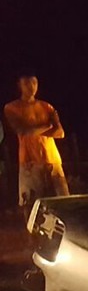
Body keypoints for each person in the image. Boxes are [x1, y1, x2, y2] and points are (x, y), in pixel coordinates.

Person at [3, 73, 69, 215]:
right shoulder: (12, 107)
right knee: (31, 204)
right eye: (27, 83)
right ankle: (31, 235)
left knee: (64, 201)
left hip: (52, 159)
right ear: (19, 85)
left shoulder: (47, 106)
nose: (31, 87)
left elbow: (60, 133)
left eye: (34, 82)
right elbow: (23, 131)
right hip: (29, 162)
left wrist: (36, 129)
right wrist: (48, 125)